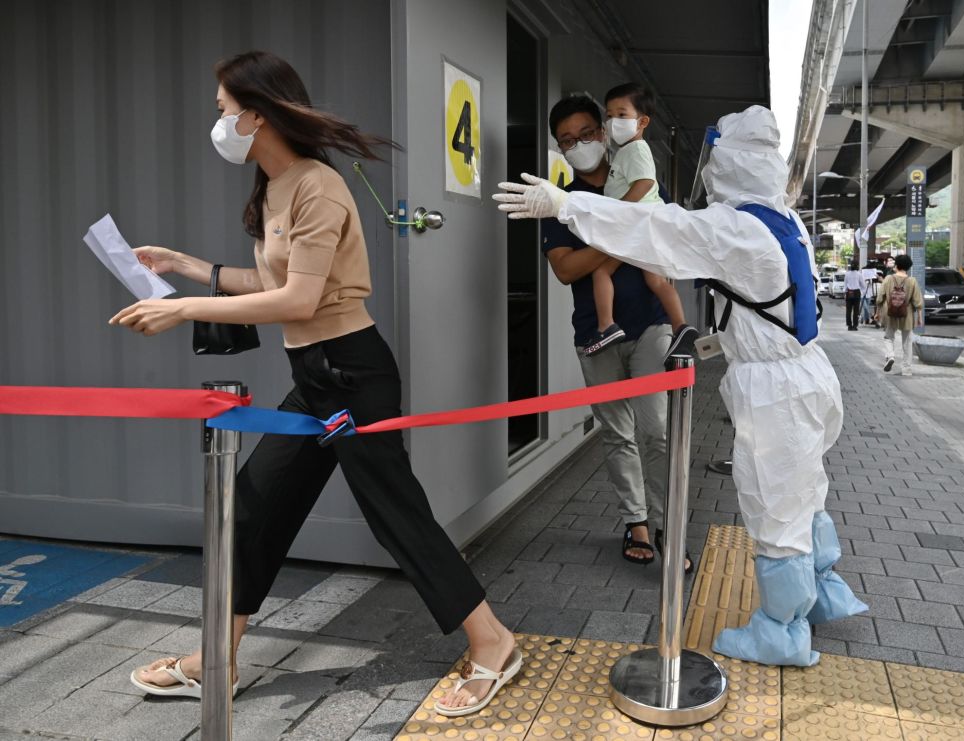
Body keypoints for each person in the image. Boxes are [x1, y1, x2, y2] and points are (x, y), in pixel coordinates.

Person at [113, 51, 518, 717]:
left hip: (352, 373)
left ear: (258, 114)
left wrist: (181, 308)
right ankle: (217, 659)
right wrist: (185, 267)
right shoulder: (275, 186)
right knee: (250, 505)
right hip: (317, 377)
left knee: (396, 516)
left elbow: (299, 300)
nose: (217, 125)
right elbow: (277, 285)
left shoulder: (317, 186)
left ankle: (493, 640)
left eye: (223, 112)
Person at [496, 106, 867, 667]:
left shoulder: (737, 228)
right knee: (806, 491)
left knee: (775, 505)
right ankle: (821, 591)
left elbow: (658, 227)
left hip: (776, 388)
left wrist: (567, 204)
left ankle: (782, 631)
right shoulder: (783, 219)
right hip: (811, 376)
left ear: (732, 166)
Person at [544, 94, 690, 573]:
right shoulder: (560, 202)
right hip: (595, 334)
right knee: (617, 433)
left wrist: (605, 241)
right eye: (567, 140)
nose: (579, 144)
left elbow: (662, 235)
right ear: (560, 149)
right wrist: (622, 237)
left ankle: (671, 523)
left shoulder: (635, 177)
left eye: (587, 132)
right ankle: (637, 522)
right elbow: (566, 270)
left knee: (658, 431)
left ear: (604, 130)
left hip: (648, 324)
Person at [582, 83, 699, 359]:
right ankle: (681, 326)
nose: (613, 122)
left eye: (622, 115)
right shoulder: (627, 151)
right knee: (657, 281)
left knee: (600, 272)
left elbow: (646, 182)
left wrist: (620, 211)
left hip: (634, 225)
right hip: (645, 225)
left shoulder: (635, 149)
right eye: (609, 115)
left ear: (643, 121)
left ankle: (606, 325)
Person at [876, 254, 924, 376]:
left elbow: (880, 298)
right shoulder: (912, 281)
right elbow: (917, 301)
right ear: (908, 267)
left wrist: (877, 313)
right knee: (907, 342)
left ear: (896, 265)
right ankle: (906, 369)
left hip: (890, 312)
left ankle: (890, 356)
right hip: (906, 314)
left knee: (888, 337)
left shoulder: (888, 279)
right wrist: (919, 318)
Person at [843, 261, 862, 330]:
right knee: (856, 310)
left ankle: (849, 325)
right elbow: (863, 285)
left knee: (848, 310)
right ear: (857, 266)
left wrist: (845, 292)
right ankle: (855, 325)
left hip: (849, 292)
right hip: (856, 292)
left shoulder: (847, 274)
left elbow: (845, 284)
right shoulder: (859, 274)